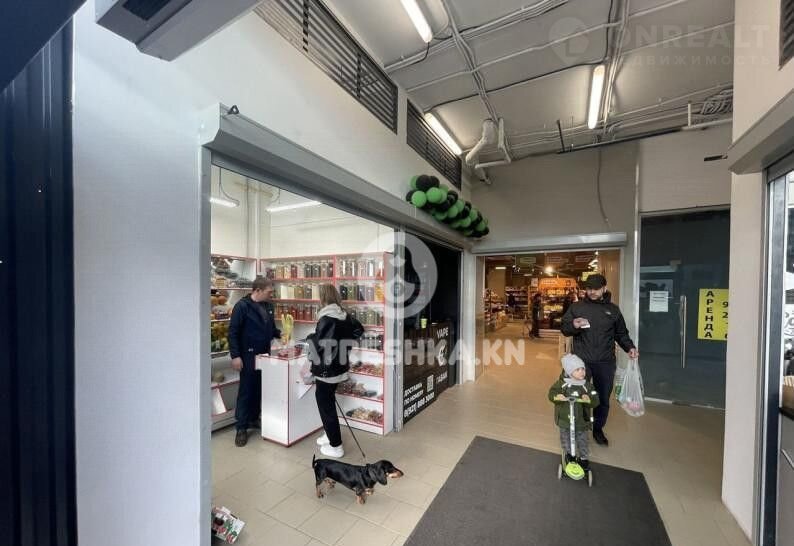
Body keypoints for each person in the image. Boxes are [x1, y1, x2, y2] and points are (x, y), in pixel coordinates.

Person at [561, 274, 638, 446]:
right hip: (581, 363)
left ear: (604, 288)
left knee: (602, 399)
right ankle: (579, 427)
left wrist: (630, 347)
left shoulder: (613, 310)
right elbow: (564, 329)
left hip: (605, 362)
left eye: (596, 289)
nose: (592, 292)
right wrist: (573, 325)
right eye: (589, 288)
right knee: (578, 396)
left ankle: (598, 429)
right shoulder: (577, 307)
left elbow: (621, 333)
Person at [307, 284, 364, 458]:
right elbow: (359, 330)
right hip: (339, 368)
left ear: (323, 298)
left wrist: (310, 338)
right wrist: (343, 345)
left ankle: (336, 446)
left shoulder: (325, 319)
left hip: (326, 371)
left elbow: (318, 347)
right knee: (329, 401)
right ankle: (329, 434)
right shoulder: (345, 316)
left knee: (326, 407)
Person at [228, 277, 281, 447]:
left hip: (264, 354)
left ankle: (253, 418)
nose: (271, 294)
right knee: (246, 390)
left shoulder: (268, 306)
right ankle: (241, 427)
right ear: (258, 290)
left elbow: (271, 329)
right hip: (248, 355)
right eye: (269, 291)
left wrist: (281, 334)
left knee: (259, 388)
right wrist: (235, 356)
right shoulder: (242, 307)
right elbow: (233, 332)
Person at [548, 354, 600, 471]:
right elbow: (551, 393)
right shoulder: (562, 384)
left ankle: (583, 458)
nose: (582, 372)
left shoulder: (587, 386)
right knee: (566, 438)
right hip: (565, 420)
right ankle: (569, 455)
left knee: (582, 439)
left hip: (582, 421)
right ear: (569, 372)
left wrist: (589, 400)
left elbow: (595, 400)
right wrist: (557, 396)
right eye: (577, 370)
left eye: (583, 369)